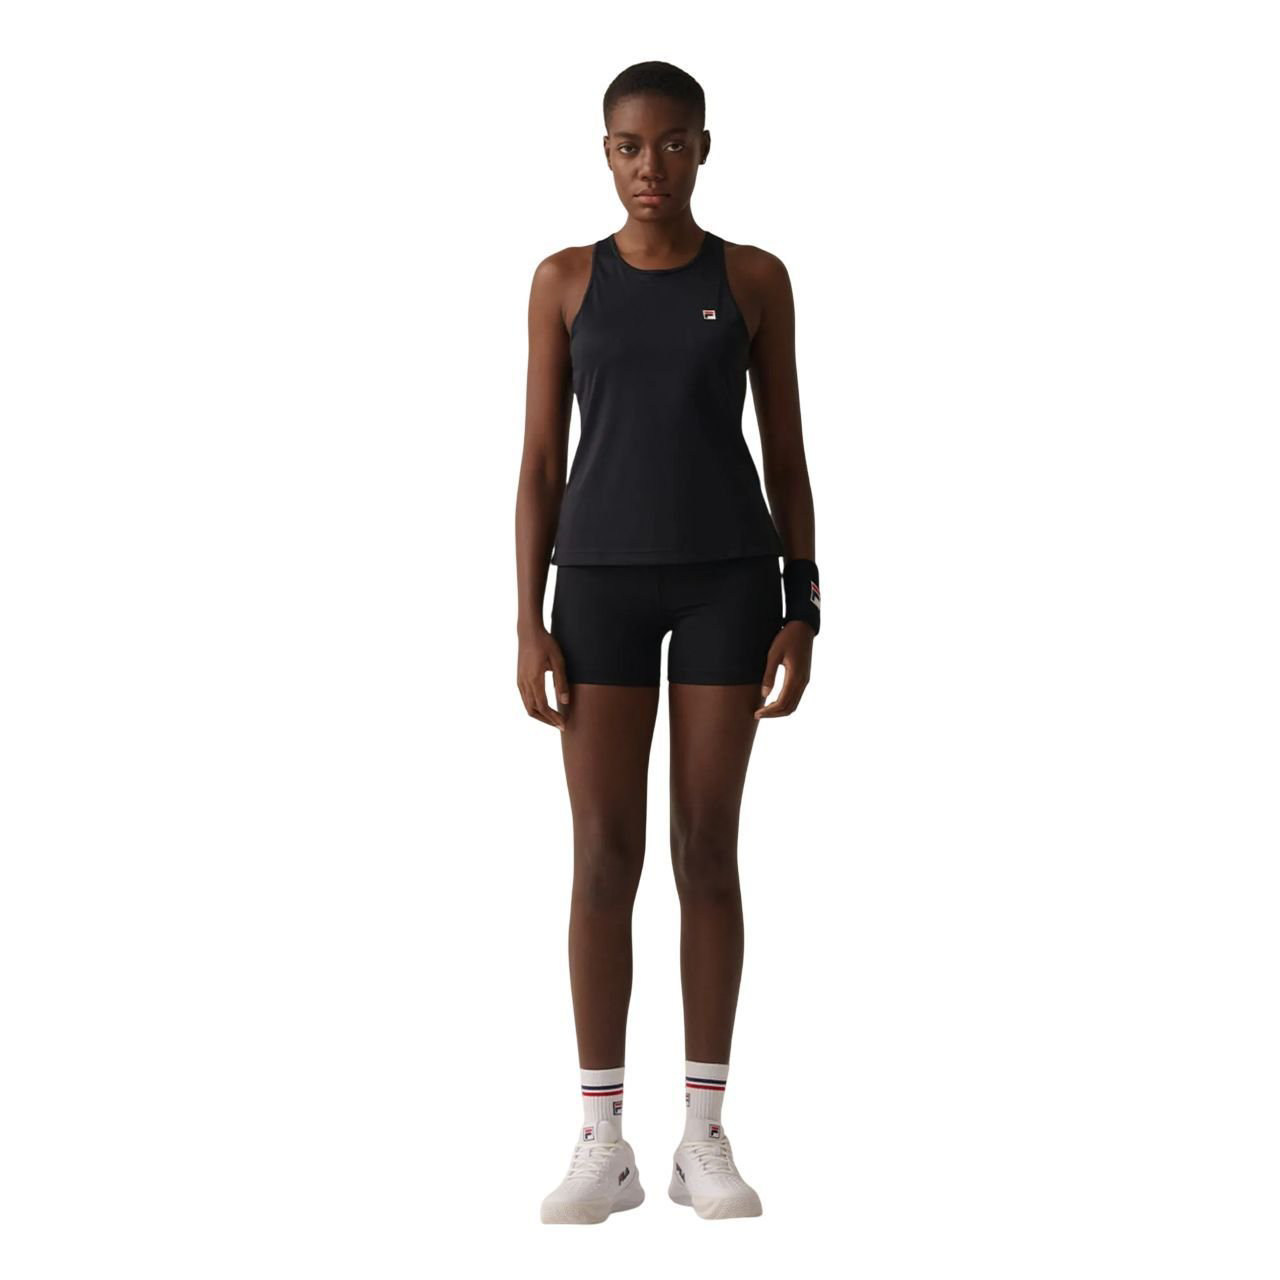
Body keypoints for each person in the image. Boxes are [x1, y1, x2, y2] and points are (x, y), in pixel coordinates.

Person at [515, 60, 821, 1225]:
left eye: (673, 142)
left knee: (705, 848)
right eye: (629, 146)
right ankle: (602, 1140)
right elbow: (538, 464)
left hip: (724, 586)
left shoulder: (751, 279)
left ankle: (702, 1134)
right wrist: (527, 617)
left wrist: (801, 603)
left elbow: (784, 452)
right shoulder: (561, 280)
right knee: (603, 855)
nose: (651, 165)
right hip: (594, 587)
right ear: (605, 152)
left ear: (703, 146)